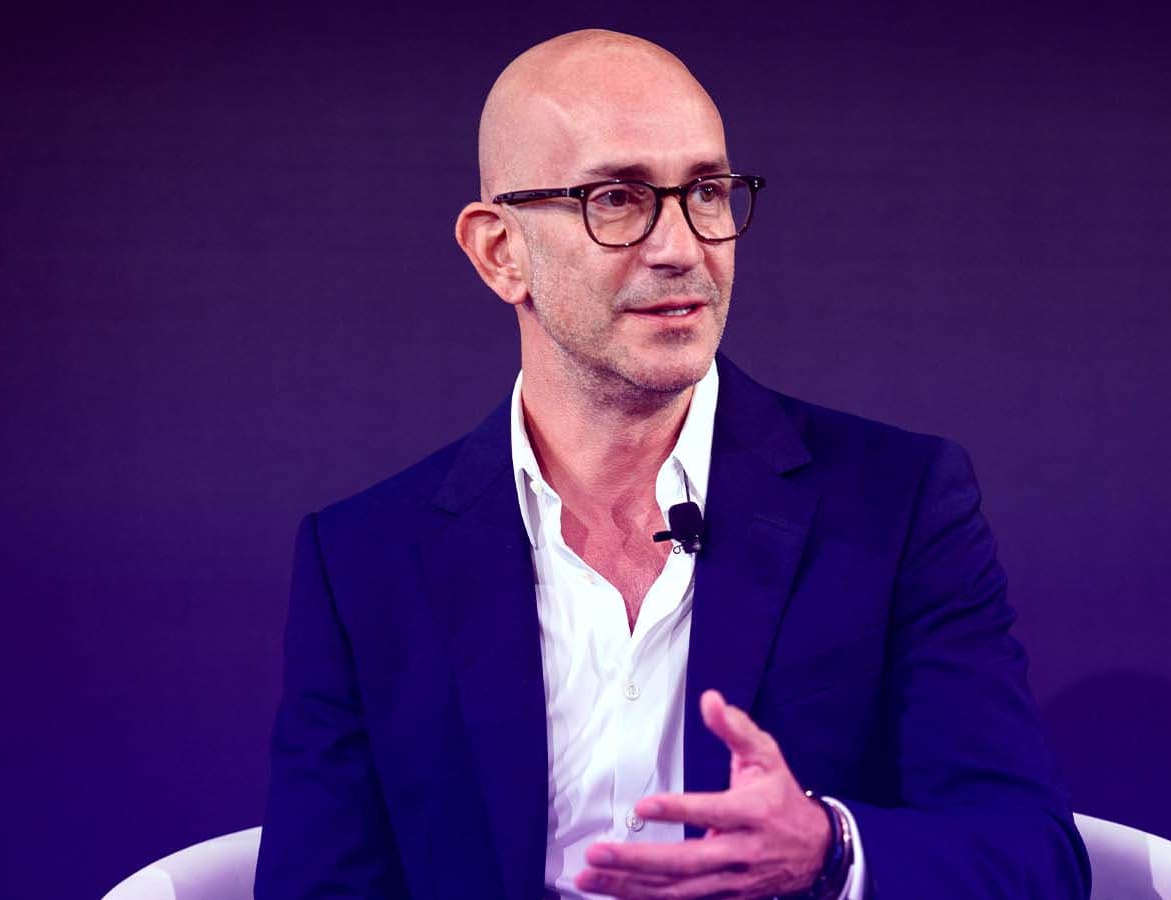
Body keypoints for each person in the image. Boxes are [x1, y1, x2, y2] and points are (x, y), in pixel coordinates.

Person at [256, 28, 1089, 900]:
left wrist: (827, 851)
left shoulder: (897, 504)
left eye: (706, 192)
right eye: (617, 198)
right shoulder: (365, 559)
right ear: (501, 253)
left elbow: (1032, 858)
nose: (682, 247)